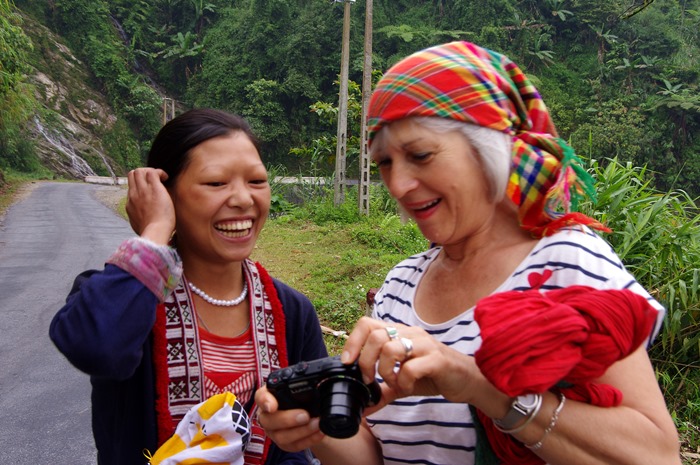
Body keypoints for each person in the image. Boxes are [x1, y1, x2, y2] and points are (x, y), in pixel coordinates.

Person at [254, 41, 681, 465]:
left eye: (420, 155)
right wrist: (318, 427)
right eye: (384, 163)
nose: (398, 185)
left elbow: (657, 456)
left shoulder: (566, 261)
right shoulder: (401, 283)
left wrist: (476, 384)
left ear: (487, 151)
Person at [50, 109, 328, 465]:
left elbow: (299, 440)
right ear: (166, 195)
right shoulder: (126, 298)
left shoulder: (291, 310)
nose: (244, 199)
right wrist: (155, 231)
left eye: (257, 181)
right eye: (216, 183)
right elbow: (98, 348)